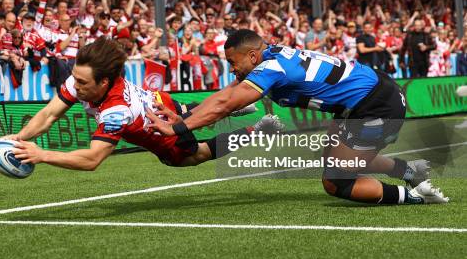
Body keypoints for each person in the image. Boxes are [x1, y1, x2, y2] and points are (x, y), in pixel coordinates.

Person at [146, 29, 448, 205]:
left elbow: (225, 103)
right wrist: (184, 114)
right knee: (338, 154)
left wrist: (179, 126)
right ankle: (409, 170)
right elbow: (226, 94)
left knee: (336, 182)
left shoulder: (271, 69)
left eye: (232, 62)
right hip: (365, 98)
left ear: (252, 56)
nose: (231, 69)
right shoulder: (269, 57)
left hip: (376, 107)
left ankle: (416, 196)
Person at [4, 38, 281, 170]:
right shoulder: (82, 79)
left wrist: (42, 154)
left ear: (104, 83)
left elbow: (92, 159)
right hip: (161, 104)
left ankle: (257, 131)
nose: (74, 87)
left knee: (197, 155)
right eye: (74, 79)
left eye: (82, 83)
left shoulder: (115, 112)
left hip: (164, 133)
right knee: (190, 111)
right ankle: (232, 105)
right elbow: (49, 114)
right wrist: (17, 139)